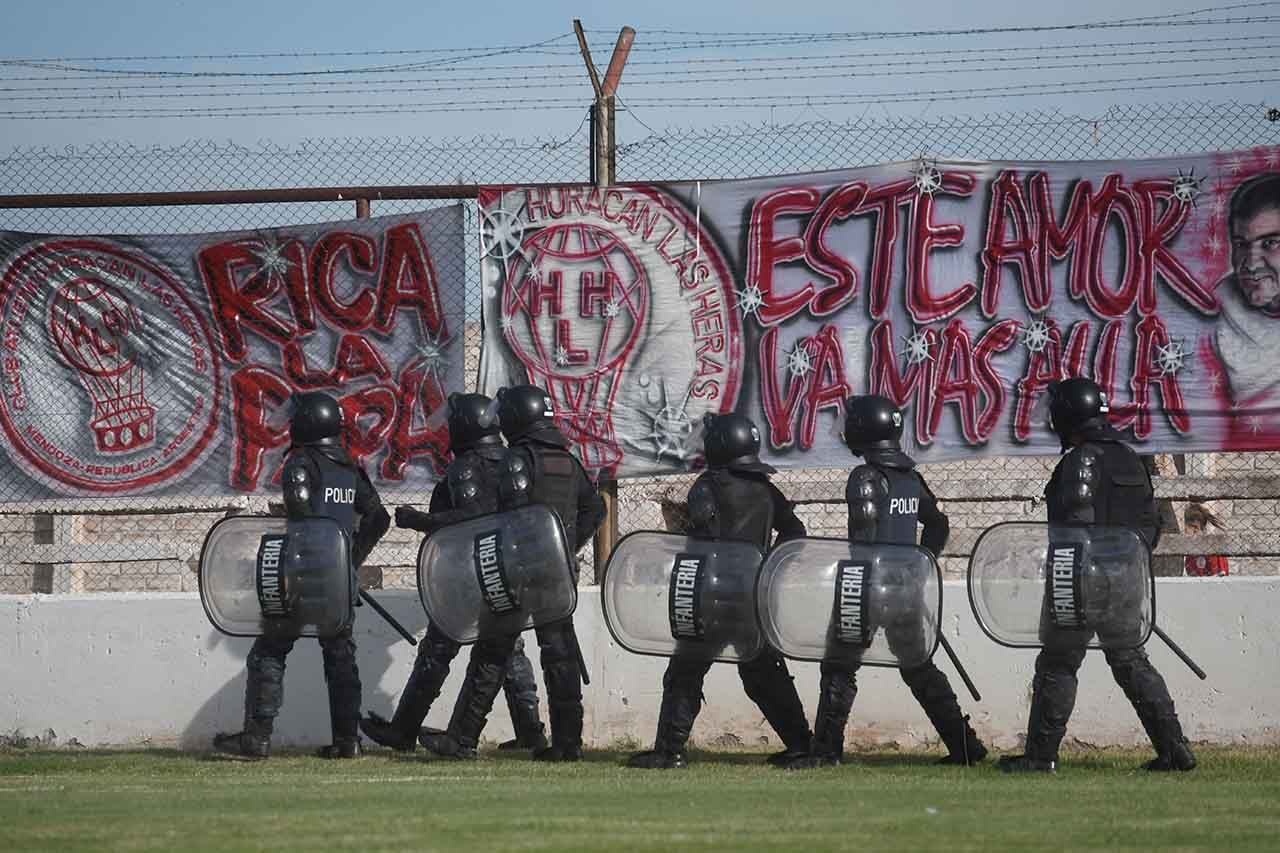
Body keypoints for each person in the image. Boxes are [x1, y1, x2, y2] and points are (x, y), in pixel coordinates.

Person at [999, 377, 1196, 773]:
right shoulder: (1130, 457)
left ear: (1070, 413)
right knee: (1130, 661)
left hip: (1081, 579)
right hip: (1126, 578)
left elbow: (1075, 526)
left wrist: (1073, 579)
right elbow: (1151, 525)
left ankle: (1040, 758)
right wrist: (1121, 566)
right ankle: (1175, 751)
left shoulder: (1081, 460)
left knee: (1057, 662)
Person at [785, 394, 986, 770]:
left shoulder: (866, 476)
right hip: (903, 590)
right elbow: (938, 525)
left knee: (839, 668)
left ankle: (826, 754)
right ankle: (965, 747)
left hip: (864, 588)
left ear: (863, 430)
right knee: (919, 667)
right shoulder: (910, 478)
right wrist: (916, 568)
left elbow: (864, 539)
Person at [421, 384, 605, 762]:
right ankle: (568, 744)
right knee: (560, 656)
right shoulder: (568, 461)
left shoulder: (519, 459)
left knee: (492, 652)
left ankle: (462, 740)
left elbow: (507, 515)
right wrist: (565, 549)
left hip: (518, 572)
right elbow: (596, 511)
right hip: (557, 575)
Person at [359, 393, 547, 753]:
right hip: (509, 570)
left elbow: (473, 516)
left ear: (465, 426)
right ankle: (530, 732)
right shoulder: (512, 460)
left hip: (470, 573)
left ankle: (404, 729)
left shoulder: (467, 465)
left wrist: (420, 521)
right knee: (509, 651)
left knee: (438, 651)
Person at [626, 413, 814, 770]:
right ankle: (802, 745)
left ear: (721, 445)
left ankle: (670, 751)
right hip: (752, 598)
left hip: (711, 597)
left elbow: (699, 527)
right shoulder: (766, 489)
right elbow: (796, 532)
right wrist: (771, 565)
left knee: (685, 672)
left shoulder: (708, 484)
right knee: (765, 675)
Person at [214, 391, 390, 760]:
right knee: (341, 658)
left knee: (269, 652)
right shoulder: (347, 467)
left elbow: (301, 514)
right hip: (336, 585)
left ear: (308, 423)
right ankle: (348, 742)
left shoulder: (301, 463)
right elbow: (379, 517)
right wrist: (348, 563)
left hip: (300, 577)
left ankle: (256, 739)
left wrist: (323, 559)